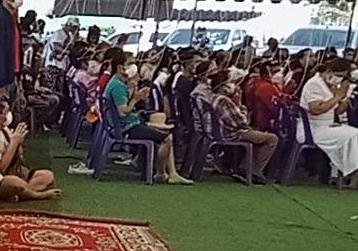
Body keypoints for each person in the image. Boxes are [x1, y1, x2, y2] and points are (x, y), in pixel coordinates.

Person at [104, 50, 193, 184]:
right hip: (126, 128)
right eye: (130, 63)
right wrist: (136, 98)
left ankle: (172, 173)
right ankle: (161, 172)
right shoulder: (117, 86)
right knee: (167, 138)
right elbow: (123, 112)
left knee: (160, 121)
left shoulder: (119, 83)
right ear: (120, 67)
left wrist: (133, 91)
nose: (134, 66)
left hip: (129, 122)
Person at [298, 57, 358, 187]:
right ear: (328, 71)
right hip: (312, 127)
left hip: (328, 125)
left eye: (342, 77)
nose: (339, 79)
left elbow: (338, 111)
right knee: (351, 137)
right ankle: (342, 173)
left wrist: (345, 98)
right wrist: (337, 97)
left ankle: (353, 177)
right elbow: (316, 109)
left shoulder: (333, 86)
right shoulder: (314, 84)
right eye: (338, 75)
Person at [0, 97, 60, 201]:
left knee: (48, 176)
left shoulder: (3, 128)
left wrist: (18, 143)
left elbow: (18, 154)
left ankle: (23, 192)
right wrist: (14, 143)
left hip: (16, 170)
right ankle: (36, 195)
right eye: (6, 112)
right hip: (1, 178)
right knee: (15, 183)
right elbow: (1, 168)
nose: (8, 115)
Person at [205, 68, 278, 180]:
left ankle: (244, 168)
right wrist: (239, 104)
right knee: (271, 139)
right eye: (232, 83)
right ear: (223, 87)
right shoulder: (224, 101)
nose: (235, 86)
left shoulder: (213, 97)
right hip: (232, 133)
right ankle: (254, 171)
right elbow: (241, 122)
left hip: (223, 131)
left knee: (259, 135)